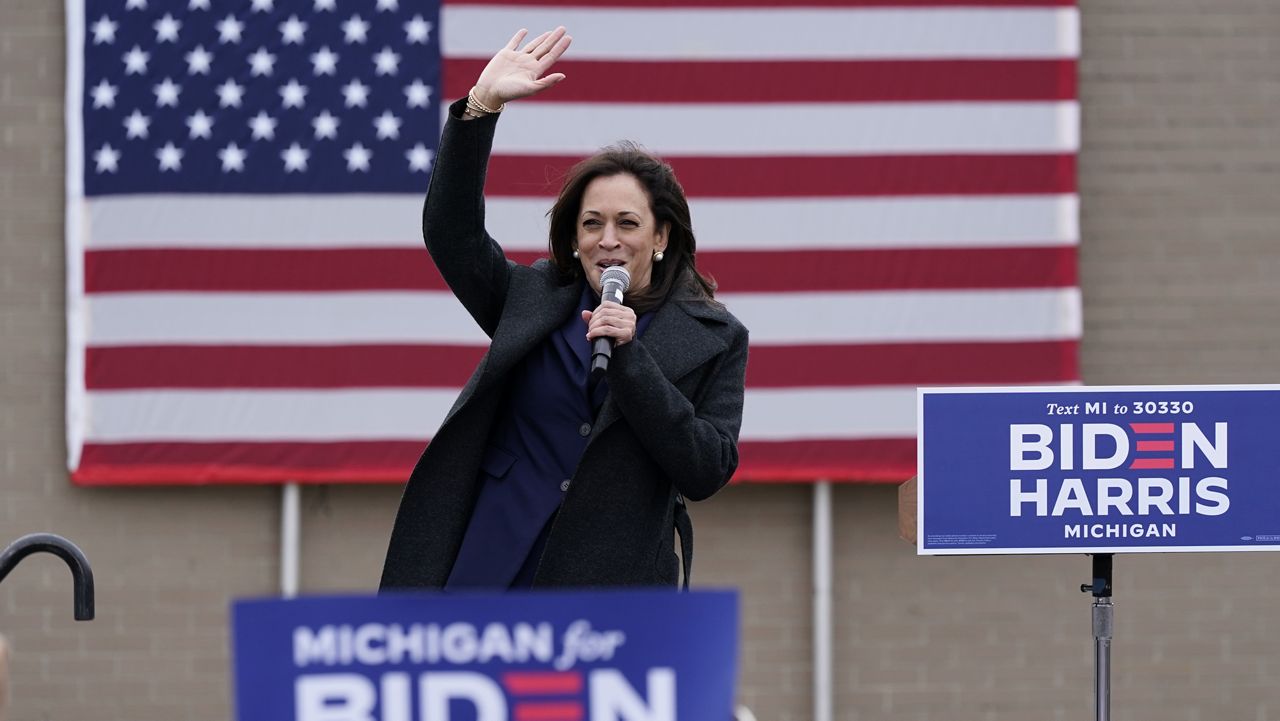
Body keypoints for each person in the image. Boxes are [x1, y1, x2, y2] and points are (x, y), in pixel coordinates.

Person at [380, 27, 748, 590]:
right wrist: (480, 109)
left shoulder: (715, 337)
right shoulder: (533, 298)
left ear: (661, 237)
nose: (608, 239)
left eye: (627, 223)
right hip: (487, 563)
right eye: (591, 223)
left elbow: (706, 469)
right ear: (573, 238)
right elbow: (452, 236)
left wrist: (631, 361)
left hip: (608, 589)